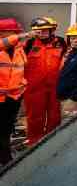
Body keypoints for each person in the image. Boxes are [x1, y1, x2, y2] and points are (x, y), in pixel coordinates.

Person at [23, 17, 67, 145]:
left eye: (45, 30)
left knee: (55, 116)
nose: (42, 33)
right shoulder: (28, 44)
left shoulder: (61, 42)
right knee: (34, 117)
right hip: (34, 87)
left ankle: (51, 142)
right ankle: (34, 142)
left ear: (52, 30)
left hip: (55, 86)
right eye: (38, 31)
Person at [0, 19, 31, 166]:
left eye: (16, 32)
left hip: (13, 97)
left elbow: (18, 71)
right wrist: (21, 36)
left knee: (6, 130)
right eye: (14, 31)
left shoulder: (19, 49)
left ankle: (5, 159)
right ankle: (6, 161)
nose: (17, 34)